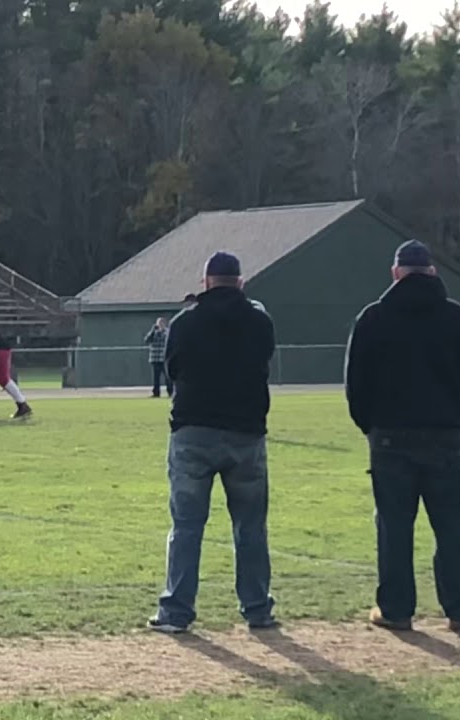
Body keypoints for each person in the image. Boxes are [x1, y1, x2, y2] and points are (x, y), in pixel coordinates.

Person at [346, 239, 460, 633]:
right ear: (433, 272)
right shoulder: (459, 319)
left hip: (390, 437)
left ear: (395, 273)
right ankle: (459, 608)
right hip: (446, 435)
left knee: (395, 526)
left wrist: (370, 425)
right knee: (450, 526)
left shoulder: (373, 318)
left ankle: (397, 610)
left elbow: (356, 384)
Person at [148, 251, 277, 634]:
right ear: (241, 281)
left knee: (187, 525)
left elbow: (172, 369)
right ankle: (257, 608)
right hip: (246, 432)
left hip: (194, 430)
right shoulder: (259, 321)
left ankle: (177, 610)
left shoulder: (185, 323)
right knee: (250, 526)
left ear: (205, 282)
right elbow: (264, 360)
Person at [144, 318, 172, 398]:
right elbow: (147, 340)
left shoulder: (167, 332)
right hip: (155, 359)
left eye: (162, 323)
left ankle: (170, 392)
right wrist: (153, 331)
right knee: (156, 378)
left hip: (164, 359)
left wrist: (162, 331)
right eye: (159, 323)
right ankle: (156, 393)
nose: (160, 325)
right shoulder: (153, 333)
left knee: (167, 377)